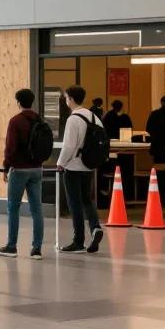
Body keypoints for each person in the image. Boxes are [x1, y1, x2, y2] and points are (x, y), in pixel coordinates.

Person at [0, 89, 44, 260]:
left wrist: (5, 167)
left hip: (19, 170)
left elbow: (10, 148)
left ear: (18, 102)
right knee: (36, 209)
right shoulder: (39, 119)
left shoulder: (15, 121)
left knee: (13, 207)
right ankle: (36, 248)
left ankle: (12, 246)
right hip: (37, 169)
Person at [56, 85, 105, 254]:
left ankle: (78, 241)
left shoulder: (73, 119)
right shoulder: (94, 117)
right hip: (89, 165)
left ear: (70, 98)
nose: (65, 100)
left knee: (74, 203)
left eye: (66, 97)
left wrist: (60, 163)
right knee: (87, 199)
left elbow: (69, 146)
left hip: (73, 166)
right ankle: (95, 227)